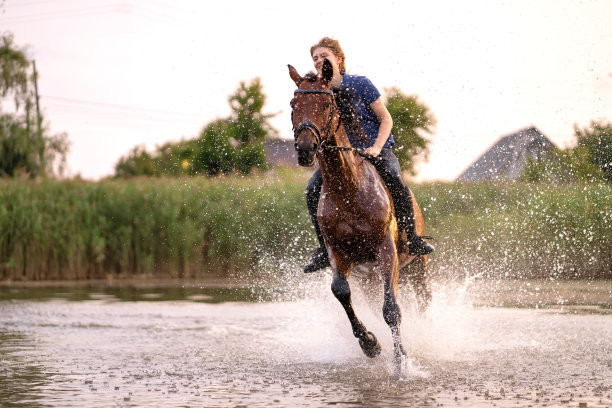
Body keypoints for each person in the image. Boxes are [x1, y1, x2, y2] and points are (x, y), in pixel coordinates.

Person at [303, 37, 434, 273]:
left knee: (394, 178)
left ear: (338, 60)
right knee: (312, 189)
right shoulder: (320, 92)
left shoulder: (361, 84)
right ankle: (324, 249)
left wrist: (375, 147)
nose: (319, 61)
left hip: (375, 151)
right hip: (343, 160)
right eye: (315, 58)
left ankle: (412, 237)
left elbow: (386, 119)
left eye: (324, 56)